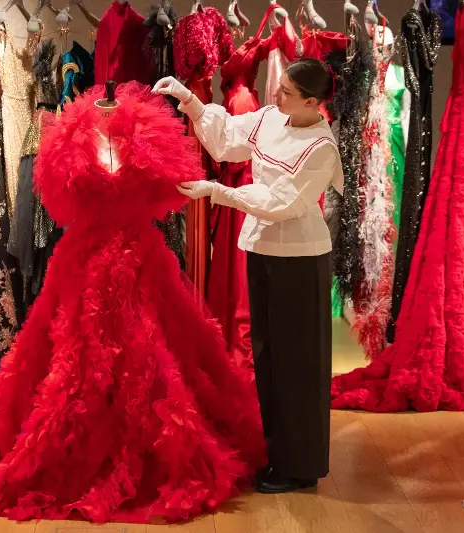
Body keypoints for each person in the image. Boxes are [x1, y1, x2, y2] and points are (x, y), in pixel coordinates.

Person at [153, 58, 343, 494]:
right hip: (263, 249)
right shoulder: (273, 117)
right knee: (268, 356)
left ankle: (301, 464)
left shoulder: (321, 147)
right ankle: (279, 454)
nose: (276, 95)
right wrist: (190, 100)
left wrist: (217, 192)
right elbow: (228, 140)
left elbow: (282, 203)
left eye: (287, 92)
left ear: (312, 102)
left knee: (298, 363)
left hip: (300, 259)